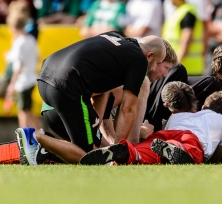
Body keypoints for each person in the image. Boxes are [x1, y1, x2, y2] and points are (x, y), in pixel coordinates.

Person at [15, 33, 165, 165]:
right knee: (90, 156)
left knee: (94, 148)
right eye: (158, 63)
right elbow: (128, 109)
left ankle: (42, 148)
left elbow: (102, 90)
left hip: (44, 78)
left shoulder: (115, 37)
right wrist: (118, 151)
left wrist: (99, 130)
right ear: (150, 55)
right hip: (68, 86)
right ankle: (35, 137)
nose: (154, 69)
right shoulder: (139, 59)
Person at [80, 83, 222, 165]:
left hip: (164, 135)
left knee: (147, 152)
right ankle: (174, 148)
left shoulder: (178, 116)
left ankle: (127, 151)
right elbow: (217, 155)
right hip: (190, 140)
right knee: (188, 151)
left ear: (203, 107)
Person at [5, 0, 41, 130]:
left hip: (23, 81)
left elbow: (18, 66)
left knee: (23, 112)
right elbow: (38, 57)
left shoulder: (19, 43)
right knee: (28, 110)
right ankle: (40, 134)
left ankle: (25, 138)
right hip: (31, 78)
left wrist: (12, 85)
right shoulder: (31, 39)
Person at [162, 0, 204, 76]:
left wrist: (176, 63)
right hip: (180, 65)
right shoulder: (178, 11)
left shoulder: (187, 12)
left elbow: (187, 39)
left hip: (187, 67)